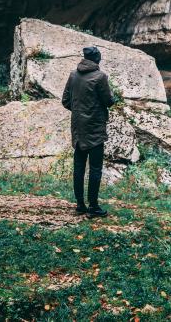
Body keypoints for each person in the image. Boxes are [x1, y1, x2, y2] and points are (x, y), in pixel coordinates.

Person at [62, 45, 114, 218]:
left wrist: (79, 112)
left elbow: (65, 101)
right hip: (95, 130)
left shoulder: (73, 75)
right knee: (95, 169)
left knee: (78, 168)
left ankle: (80, 205)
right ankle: (93, 207)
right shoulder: (100, 77)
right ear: (96, 59)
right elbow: (109, 101)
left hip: (78, 129)